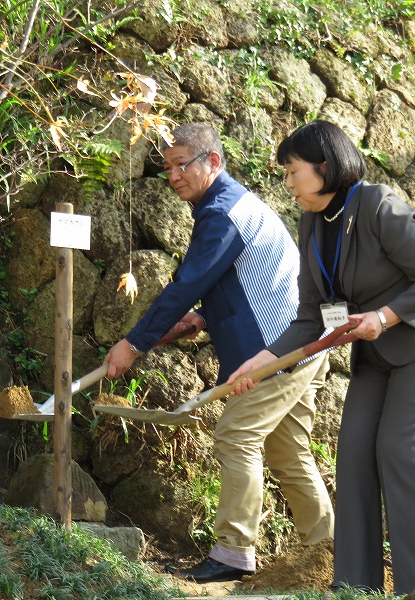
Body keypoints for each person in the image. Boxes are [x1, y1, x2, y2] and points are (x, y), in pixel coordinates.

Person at [227, 120, 415, 595]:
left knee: (398, 451)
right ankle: (355, 588)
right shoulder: (311, 222)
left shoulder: (378, 205)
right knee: (354, 455)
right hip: (376, 354)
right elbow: (310, 316)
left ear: (324, 167)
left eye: (292, 171)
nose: (288, 182)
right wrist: (262, 359)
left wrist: (384, 315)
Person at [103, 122, 335, 583]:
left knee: (235, 436)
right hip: (300, 342)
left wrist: (134, 343)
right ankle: (330, 553)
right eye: (166, 167)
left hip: (278, 348)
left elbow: (187, 283)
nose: (172, 176)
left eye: (180, 165)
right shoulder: (229, 207)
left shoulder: (223, 213)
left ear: (212, 162)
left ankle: (233, 552)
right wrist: (203, 318)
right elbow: (243, 278)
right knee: (289, 454)